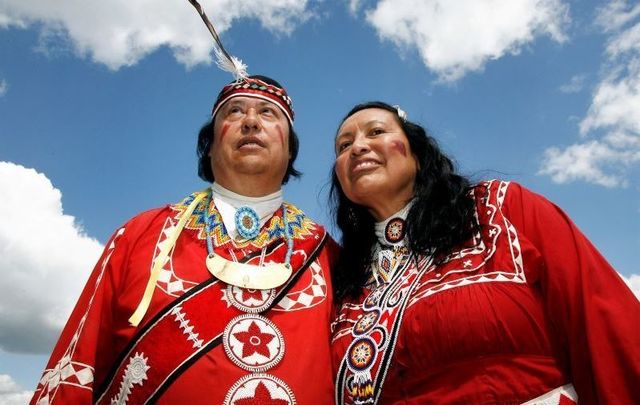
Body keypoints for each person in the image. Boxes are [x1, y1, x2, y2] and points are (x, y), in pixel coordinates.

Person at [31, 75, 338, 404]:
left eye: (267, 113)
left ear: (290, 149)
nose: (250, 122)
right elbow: (76, 368)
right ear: (209, 148)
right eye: (234, 112)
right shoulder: (139, 236)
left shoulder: (329, 255)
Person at [329, 101, 640, 404]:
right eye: (343, 146)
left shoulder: (499, 209)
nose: (357, 147)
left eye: (376, 131)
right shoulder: (343, 280)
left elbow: (605, 324)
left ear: (419, 155)